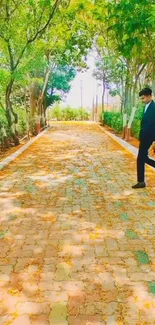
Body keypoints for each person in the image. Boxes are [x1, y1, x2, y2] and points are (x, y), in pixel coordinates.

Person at [132, 87, 155, 189]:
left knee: (140, 158)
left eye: (143, 98)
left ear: (149, 96)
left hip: (150, 137)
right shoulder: (146, 106)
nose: (142, 100)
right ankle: (141, 181)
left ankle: (141, 181)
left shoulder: (154, 108)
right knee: (143, 158)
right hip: (144, 137)